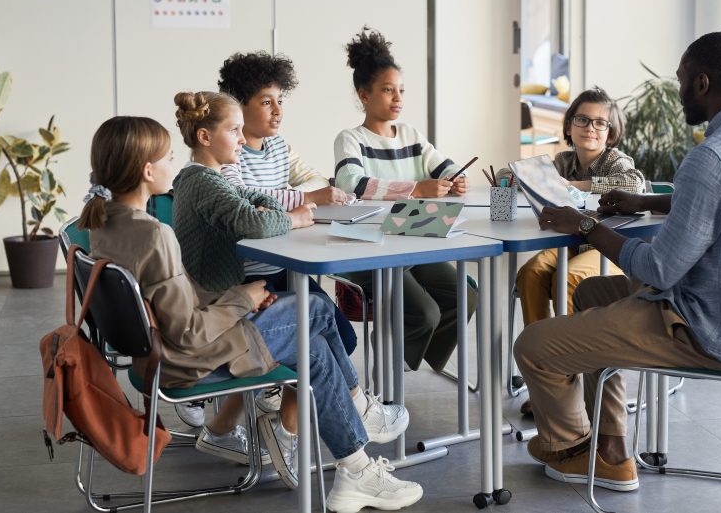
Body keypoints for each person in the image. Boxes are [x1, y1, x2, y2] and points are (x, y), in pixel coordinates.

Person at [512, 31, 721, 492]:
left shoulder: (713, 156)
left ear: (703, 83)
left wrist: (586, 226)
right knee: (590, 293)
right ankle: (611, 446)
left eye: (682, 79)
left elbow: (656, 270)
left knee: (533, 344)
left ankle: (571, 447)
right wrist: (642, 201)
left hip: (704, 328)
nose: (678, 89)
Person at [81, 115, 423, 512]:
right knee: (315, 308)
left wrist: (237, 292)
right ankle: (359, 413)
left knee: (312, 347)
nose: (173, 165)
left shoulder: (103, 224)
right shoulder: (156, 235)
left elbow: (173, 299)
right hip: (188, 359)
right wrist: (241, 300)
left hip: (152, 359)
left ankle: (356, 468)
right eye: (168, 157)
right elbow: (189, 332)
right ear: (146, 170)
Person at [333, 27, 476, 373]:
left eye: (400, 90)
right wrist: (415, 190)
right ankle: (387, 362)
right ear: (363, 95)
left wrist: (456, 178)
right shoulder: (349, 139)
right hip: (369, 247)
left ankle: (404, 358)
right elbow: (351, 183)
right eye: (387, 90)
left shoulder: (411, 135)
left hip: (412, 238)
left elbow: (446, 165)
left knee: (467, 296)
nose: (397, 98)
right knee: (424, 313)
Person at [512, 87, 645, 417]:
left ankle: (572, 382)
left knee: (570, 279)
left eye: (601, 123)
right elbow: (528, 179)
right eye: (583, 120)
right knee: (530, 274)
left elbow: (634, 186)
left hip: (607, 251)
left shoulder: (616, 161)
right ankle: (547, 381)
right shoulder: (563, 161)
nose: (591, 128)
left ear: (611, 132)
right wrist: (517, 178)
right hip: (569, 245)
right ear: (569, 126)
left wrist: (576, 187)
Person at [216, 50, 357, 358]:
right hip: (247, 275)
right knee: (315, 338)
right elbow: (241, 196)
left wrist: (294, 198)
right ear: (238, 107)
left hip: (285, 265)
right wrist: (302, 199)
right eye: (267, 102)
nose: (278, 111)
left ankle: (301, 398)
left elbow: (318, 180)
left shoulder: (278, 146)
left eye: (280, 100)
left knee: (344, 339)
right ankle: (282, 389)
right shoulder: (227, 152)